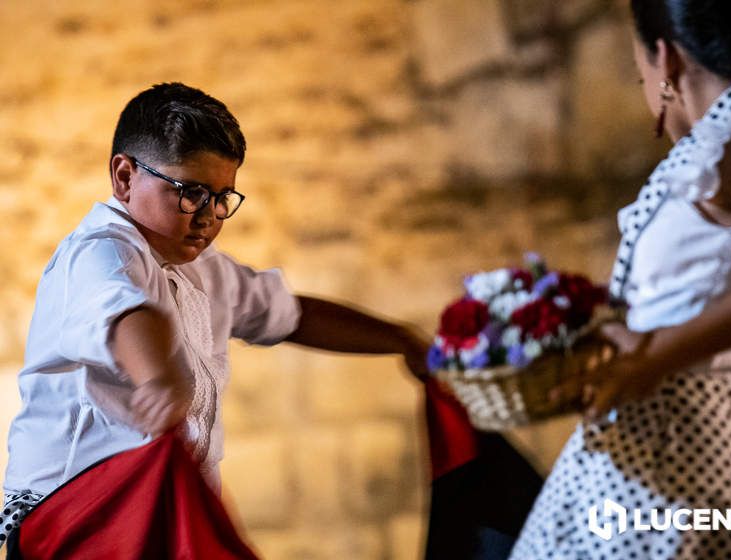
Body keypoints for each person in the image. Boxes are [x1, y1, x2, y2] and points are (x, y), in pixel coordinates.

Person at [0, 82, 429, 546]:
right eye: (191, 192)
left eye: (223, 197)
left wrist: (402, 338)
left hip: (163, 515)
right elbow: (124, 310)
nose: (209, 216)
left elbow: (291, 315)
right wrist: (158, 378)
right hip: (84, 522)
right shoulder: (99, 250)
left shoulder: (206, 270)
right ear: (124, 177)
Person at [510, 1, 731, 558]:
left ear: (664, 57)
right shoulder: (717, 149)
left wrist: (656, 353)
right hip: (653, 446)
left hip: (677, 448)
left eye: (638, 64)